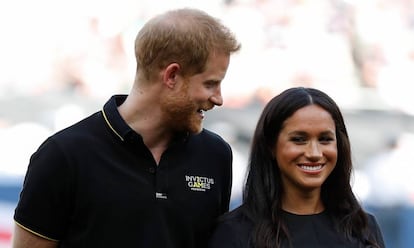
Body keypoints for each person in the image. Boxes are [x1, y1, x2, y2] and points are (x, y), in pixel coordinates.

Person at [12, 8, 241, 248]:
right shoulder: (63, 155)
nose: (218, 98)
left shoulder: (216, 155)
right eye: (211, 84)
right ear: (172, 75)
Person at [209, 87, 385, 248]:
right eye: (299, 139)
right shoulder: (235, 233)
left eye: (325, 139)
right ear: (271, 146)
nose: (314, 153)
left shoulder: (363, 228)